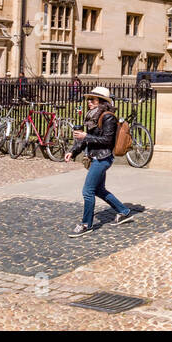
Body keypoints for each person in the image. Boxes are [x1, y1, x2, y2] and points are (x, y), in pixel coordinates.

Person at [64, 87, 135, 237]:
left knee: (87, 191)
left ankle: (86, 224)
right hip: (95, 156)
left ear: (101, 102)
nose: (89, 102)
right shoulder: (92, 116)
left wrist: (85, 136)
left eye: (93, 100)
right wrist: (73, 151)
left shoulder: (108, 117)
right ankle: (124, 211)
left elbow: (107, 140)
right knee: (99, 190)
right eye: (89, 99)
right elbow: (85, 139)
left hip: (103, 158)